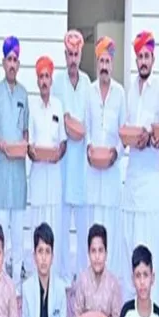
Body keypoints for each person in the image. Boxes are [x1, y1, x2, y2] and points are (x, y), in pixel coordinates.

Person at [120, 31, 159, 315]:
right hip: (132, 180)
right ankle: (131, 313)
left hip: (151, 182)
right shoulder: (130, 91)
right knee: (130, 246)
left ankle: (154, 314)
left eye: (146, 56)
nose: (142, 61)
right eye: (139, 56)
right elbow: (125, 129)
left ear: (153, 58)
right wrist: (132, 137)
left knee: (151, 249)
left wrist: (150, 137)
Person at [0, 35, 29, 291]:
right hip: (2, 174)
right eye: (8, 60)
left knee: (18, 233)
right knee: (1, 231)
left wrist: (23, 144)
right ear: (3, 63)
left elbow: (26, 131)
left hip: (19, 174)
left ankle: (17, 285)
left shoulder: (24, 93)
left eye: (15, 60)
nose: (12, 64)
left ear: (18, 64)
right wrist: (2, 145)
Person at [52, 30, 91, 285]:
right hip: (64, 163)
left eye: (76, 54)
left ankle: (84, 275)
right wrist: (68, 124)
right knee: (63, 224)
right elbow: (58, 120)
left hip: (83, 165)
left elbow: (87, 124)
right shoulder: (57, 82)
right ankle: (64, 275)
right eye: (69, 54)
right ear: (65, 55)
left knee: (84, 225)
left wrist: (73, 124)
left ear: (81, 55)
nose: (73, 59)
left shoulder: (88, 83)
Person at [85, 36, 125, 279]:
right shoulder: (89, 92)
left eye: (108, 61)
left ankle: (110, 279)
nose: (104, 66)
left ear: (112, 63)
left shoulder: (120, 93)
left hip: (111, 173)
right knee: (93, 225)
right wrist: (90, 148)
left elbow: (123, 132)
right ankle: (92, 279)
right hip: (93, 171)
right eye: (101, 61)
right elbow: (87, 127)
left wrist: (115, 153)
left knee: (110, 226)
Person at [27, 56, 66, 276]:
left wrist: (58, 154)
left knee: (54, 228)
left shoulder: (58, 105)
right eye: (41, 77)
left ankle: (55, 276)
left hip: (54, 177)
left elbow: (63, 142)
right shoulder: (32, 108)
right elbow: (29, 145)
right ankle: (36, 276)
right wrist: (33, 153)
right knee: (37, 225)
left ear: (51, 80)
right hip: (39, 178)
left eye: (47, 76)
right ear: (37, 81)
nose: (44, 81)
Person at [69, 224, 122, 317]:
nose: (97, 256)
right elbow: (75, 316)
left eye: (100, 251)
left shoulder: (113, 283)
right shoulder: (82, 280)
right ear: (88, 253)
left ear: (106, 253)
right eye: (93, 251)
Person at [21, 222, 68, 317]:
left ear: (52, 257)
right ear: (34, 256)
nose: (43, 258)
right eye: (40, 251)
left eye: (47, 251)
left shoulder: (60, 288)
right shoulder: (27, 288)